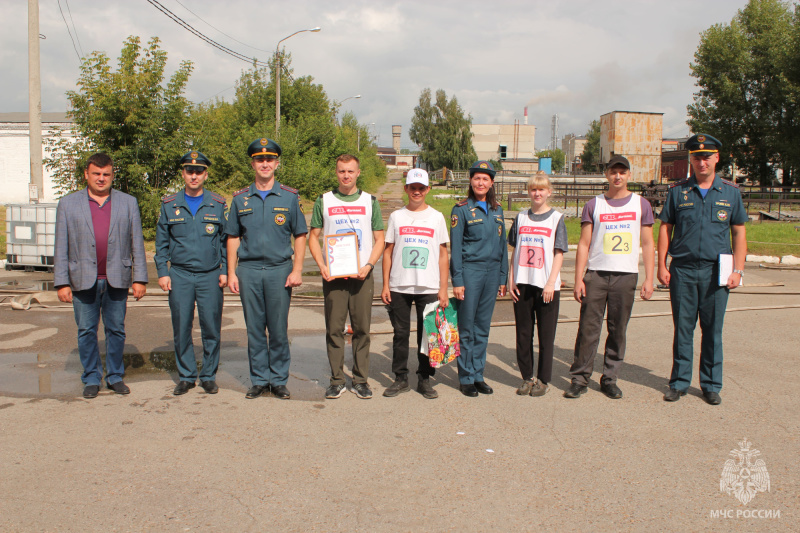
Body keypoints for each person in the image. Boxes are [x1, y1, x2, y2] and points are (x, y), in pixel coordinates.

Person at [658, 134, 747, 405]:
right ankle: (679, 382)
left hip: (716, 271)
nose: (702, 161)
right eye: (696, 157)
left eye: (707, 156)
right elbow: (665, 228)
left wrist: (738, 271)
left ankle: (710, 384)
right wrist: (661, 265)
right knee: (683, 329)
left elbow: (739, 234)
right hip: (682, 270)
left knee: (712, 331)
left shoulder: (730, 193)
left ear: (716, 158)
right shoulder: (678, 191)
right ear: (691, 160)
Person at [54, 152, 148, 399]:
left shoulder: (128, 203)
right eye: (96, 173)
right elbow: (60, 245)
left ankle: (115, 376)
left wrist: (139, 278)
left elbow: (136, 242)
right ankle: (92, 377)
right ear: (86, 174)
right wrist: (61, 282)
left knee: (116, 330)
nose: (101, 178)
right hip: (82, 279)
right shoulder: (67, 204)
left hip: (117, 278)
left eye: (106, 174)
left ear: (112, 175)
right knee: (86, 330)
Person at [565, 155, 655, 400]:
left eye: (622, 172)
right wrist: (579, 278)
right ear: (606, 174)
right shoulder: (594, 205)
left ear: (628, 175)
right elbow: (584, 244)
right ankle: (580, 378)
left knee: (618, 329)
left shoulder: (641, 204)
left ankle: (610, 378)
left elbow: (648, 244)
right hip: (596, 274)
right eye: (613, 172)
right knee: (588, 329)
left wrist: (649, 278)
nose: (618, 177)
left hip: (625, 276)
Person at [225, 138, 307, 400]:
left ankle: (279, 379)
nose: (265, 164)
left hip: (279, 270)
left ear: (277, 163)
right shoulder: (240, 199)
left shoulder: (289, 197)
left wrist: (297, 270)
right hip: (248, 271)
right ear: (253, 163)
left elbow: (301, 235)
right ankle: (259, 379)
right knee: (254, 328)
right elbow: (233, 237)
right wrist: (231, 272)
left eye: (269, 159)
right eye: (260, 159)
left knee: (278, 328)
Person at [308, 154, 385, 400]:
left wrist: (370, 264)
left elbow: (380, 239)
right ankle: (337, 380)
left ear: (358, 172)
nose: (346, 176)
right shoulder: (324, 200)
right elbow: (313, 236)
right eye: (342, 171)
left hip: (362, 275)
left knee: (362, 328)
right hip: (334, 276)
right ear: (336, 172)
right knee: (334, 329)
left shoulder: (370, 201)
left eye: (350, 171)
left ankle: (361, 380)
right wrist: (322, 265)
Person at [155, 151, 227, 396]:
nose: (194, 176)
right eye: (189, 171)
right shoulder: (169, 204)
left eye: (199, 172)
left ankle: (208, 375)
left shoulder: (217, 204)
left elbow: (226, 241)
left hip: (210, 275)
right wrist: (162, 272)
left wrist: (226, 270)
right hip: (180, 275)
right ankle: (186, 376)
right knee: (182, 326)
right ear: (183, 173)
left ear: (206, 174)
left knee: (211, 328)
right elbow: (161, 242)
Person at [381, 168, 449, 399]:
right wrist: (385, 285)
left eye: (421, 188)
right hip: (400, 285)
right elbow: (388, 252)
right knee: (400, 334)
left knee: (427, 335)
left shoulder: (436, 217)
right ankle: (400, 378)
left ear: (428, 189)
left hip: (428, 286)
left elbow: (442, 255)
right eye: (413, 188)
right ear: (406, 189)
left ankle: (424, 378)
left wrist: (443, 288)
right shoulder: (397, 217)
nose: (417, 192)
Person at [449, 161, 508, 397]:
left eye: (485, 179)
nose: (480, 183)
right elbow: (455, 248)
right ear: (471, 181)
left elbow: (503, 245)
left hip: (492, 273)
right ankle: (465, 377)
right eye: (476, 178)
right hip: (471, 272)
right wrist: (458, 280)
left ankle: (478, 375)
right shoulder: (461, 209)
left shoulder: (498, 209)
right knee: (466, 328)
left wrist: (503, 276)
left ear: (491, 182)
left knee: (482, 328)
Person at [507, 172, 568, 397]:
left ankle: (543, 379)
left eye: (541, 189)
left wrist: (551, 282)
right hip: (523, 283)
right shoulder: (521, 217)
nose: (537, 193)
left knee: (546, 335)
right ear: (529, 192)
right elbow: (515, 251)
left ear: (548, 192)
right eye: (533, 189)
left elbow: (559, 253)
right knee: (523, 333)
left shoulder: (556, 218)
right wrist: (511, 279)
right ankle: (526, 377)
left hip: (547, 286)